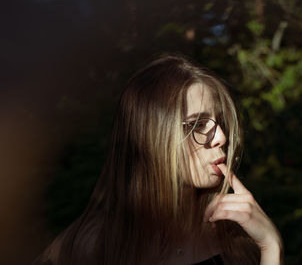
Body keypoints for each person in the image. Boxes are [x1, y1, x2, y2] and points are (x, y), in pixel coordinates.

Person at [34, 54, 283, 265]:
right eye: (198, 124)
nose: (221, 137)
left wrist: (271, 246)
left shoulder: (236, 242)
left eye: (220, 123)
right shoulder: (94, 244)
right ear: (153, 137)